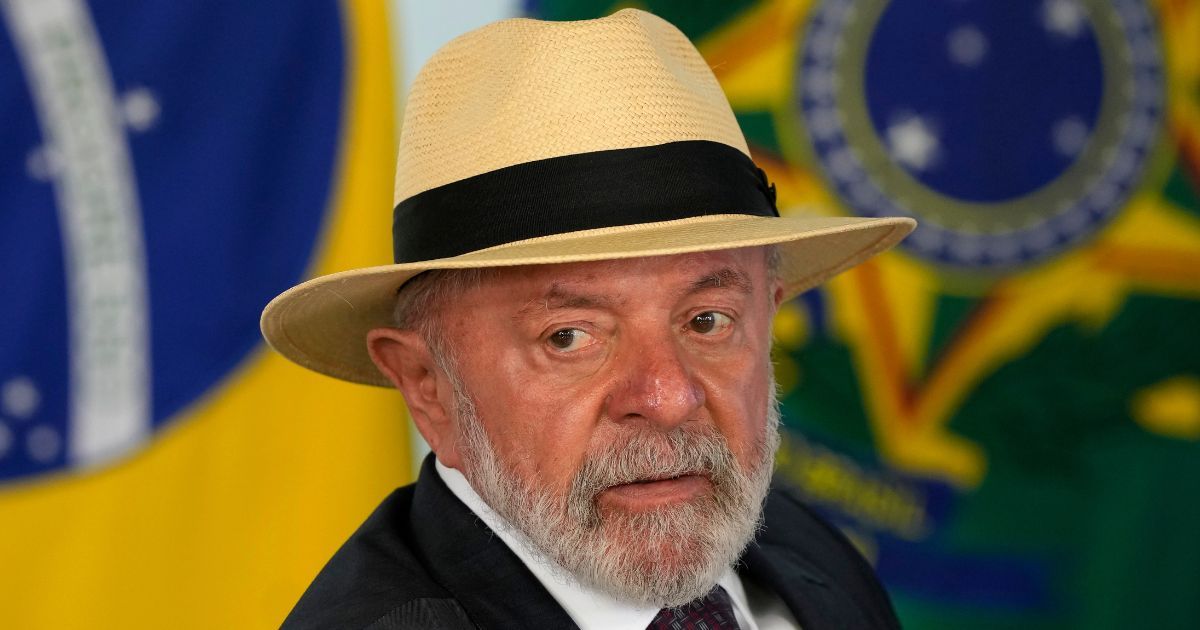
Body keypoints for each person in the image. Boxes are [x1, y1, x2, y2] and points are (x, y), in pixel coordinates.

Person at [261, 9, 914, 630]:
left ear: (768, 316)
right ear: (427, 384)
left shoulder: (811, 557)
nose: (667, 398)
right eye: (569, 337)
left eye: (708, 321)